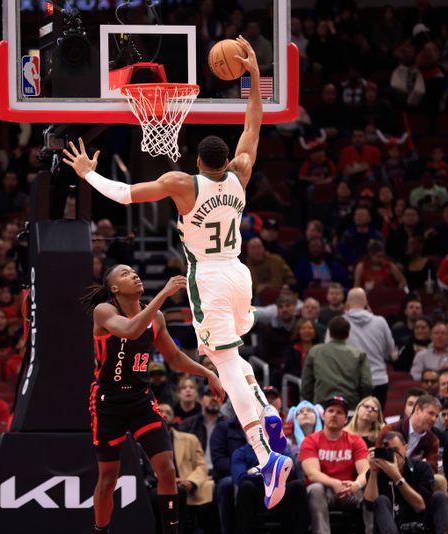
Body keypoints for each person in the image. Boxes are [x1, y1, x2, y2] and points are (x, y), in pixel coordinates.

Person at [62, 37, 294, 509]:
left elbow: (125, 194)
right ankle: (267, 410)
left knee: (224, 364)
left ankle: (265, 456)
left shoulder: (181, 184)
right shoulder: (241, 173)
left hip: (207, 277)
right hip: (239, 274)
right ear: (225, 161)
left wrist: (87, 173)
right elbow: (254, 123)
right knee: (225, 354)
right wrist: (250, 77)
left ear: (197, 161)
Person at [82, 267, 225, 534]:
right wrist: (164, 294)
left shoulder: (156, 317)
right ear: (114, 288)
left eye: (134, 271)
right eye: (125, 274)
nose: (134, 275)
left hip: (140, 400)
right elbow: (130, 330)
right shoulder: (105, 311)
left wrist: (207, 372)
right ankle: (100, 530)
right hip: (108, 402)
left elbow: (174, 357)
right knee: (108, 479)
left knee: (167, 470)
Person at [299, 396, 370, 534]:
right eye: (331, 411)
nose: (334, 415)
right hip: (324, 492)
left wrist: (356, 484)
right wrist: (334, 483)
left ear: (345, 419)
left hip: (349, 490)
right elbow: (312, 474)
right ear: (323, 416)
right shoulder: (310, 440)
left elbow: (366, 472)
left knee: (371, 491)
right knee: (315, 488)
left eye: (339, 412)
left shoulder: (356, 441)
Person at [364, 431, 448, 534]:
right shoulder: (377, 472)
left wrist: (397, 477)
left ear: (405, 449)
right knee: (381, 500)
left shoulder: (421, 468)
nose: (393, 455)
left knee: (439, 497)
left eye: (395, 450)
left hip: (421, 525)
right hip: (390, 527)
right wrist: (374, 471)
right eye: (388, 451)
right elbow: (370, 505)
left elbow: (420, 506)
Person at [301, 316, 372, 409]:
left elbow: (306, 384)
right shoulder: (359, 355)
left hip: (321, 406)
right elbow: (367, 384)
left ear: (329, 333)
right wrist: (361, 404)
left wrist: (312, 405)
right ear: (348, 334)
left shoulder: (314, 351)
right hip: (351, 406)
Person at [340, 288, 395, 406]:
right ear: (366, 302)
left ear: (347, 303)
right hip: (378, 379)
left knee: (352, 421)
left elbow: (331, 351)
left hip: (350, 382)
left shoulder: (339, 322)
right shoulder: (380, 322)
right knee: (376, 421)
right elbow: (390, 350)